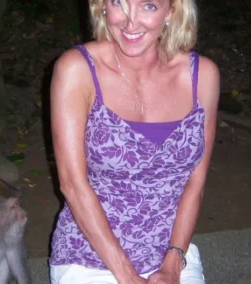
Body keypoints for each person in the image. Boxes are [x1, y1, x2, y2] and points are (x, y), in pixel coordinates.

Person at [48, 0, 220, 283]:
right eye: (119, 2)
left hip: (171, 253)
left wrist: (173, 263)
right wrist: (128, 277)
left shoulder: (202, 76)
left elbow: (195, 182)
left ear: (172, 11)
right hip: (90, 253)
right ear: (102, 6)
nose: (131, 22)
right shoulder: (77, 69)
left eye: (149, 6)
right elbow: (72, 184)